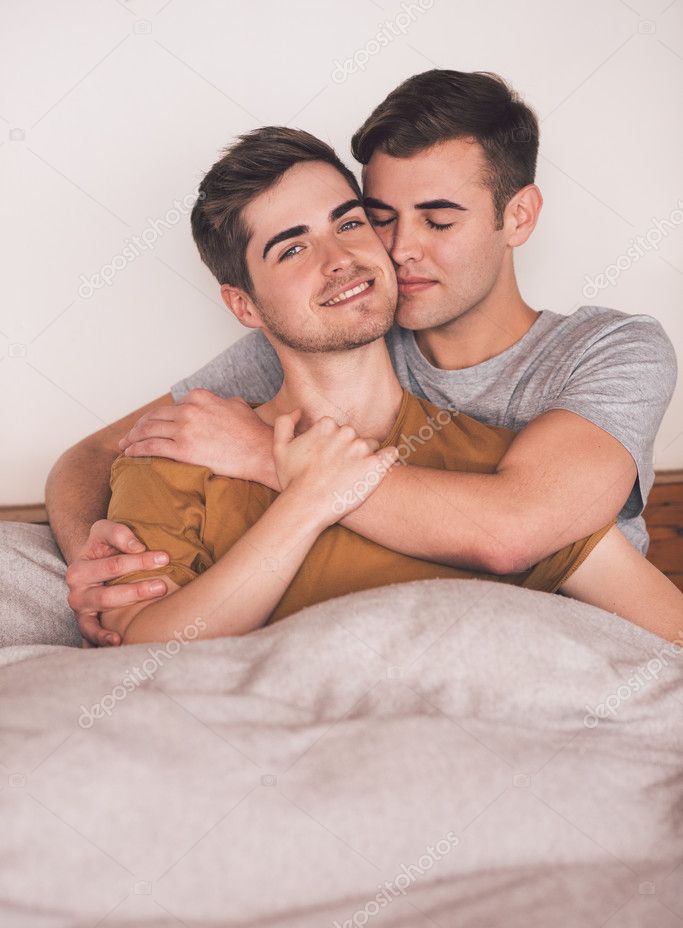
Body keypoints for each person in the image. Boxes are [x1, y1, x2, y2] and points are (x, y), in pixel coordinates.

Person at [46, 70, 677, 646]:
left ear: (517, 217)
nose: (396, 250)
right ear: (246, 305)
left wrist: (284, 465)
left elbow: (514, 531)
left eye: (437, 221)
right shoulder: (290, 354)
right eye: (380, 219)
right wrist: (100, 570)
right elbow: (98, 459)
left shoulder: (595, 364)